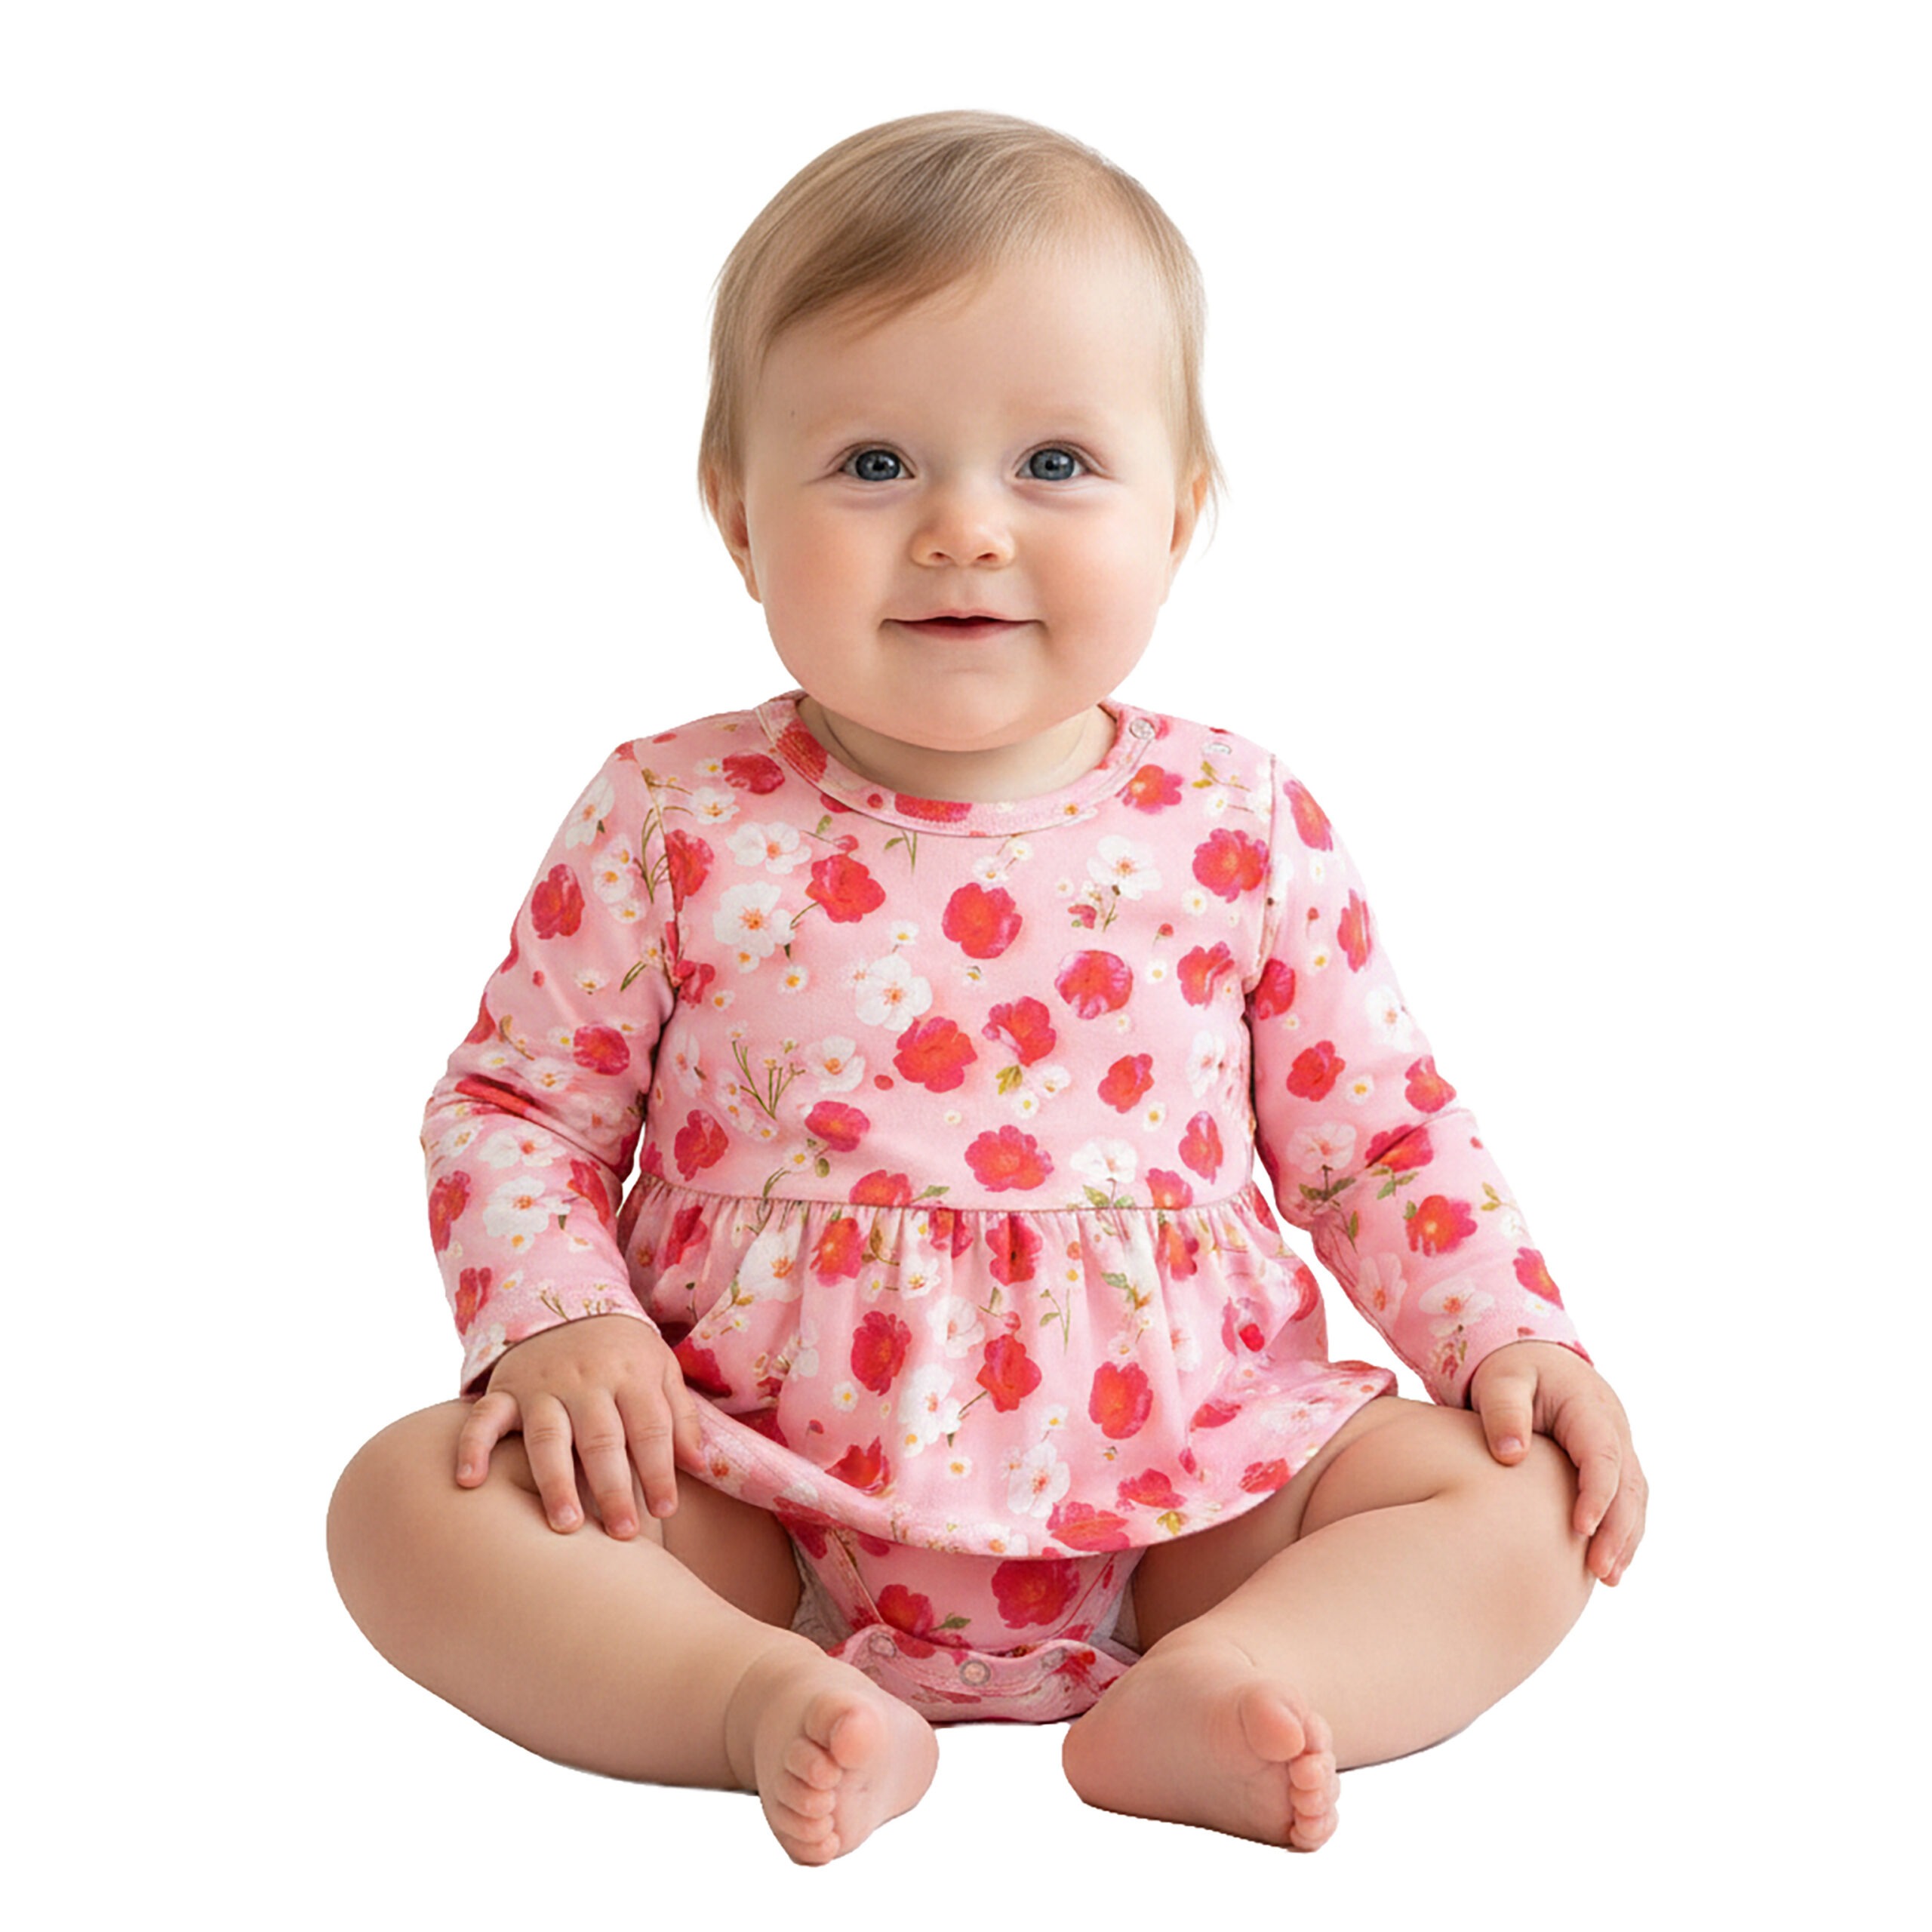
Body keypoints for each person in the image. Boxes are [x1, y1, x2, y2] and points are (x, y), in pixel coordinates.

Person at [327, 109, 1645, 1865]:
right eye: (873, 463)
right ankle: (749, 1694)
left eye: (1052, 463)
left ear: (1177, 515)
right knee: (405, 1501)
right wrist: (559, 1317)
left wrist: (1506, 1332)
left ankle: (1241, 1676)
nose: (962, 528)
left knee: (1522, 1494)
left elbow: (1378, 1140)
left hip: (1193, 1501)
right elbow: (516, 1105)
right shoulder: (669, 812)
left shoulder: (1236, 818)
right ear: (737, 515)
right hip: (750, 1497)